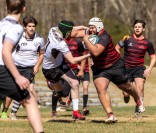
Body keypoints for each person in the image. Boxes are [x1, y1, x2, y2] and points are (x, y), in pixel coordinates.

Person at [72, 17, 144, 123]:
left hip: (115, 66)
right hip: (99, 69)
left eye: (92, 27)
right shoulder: (89, 32)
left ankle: (137, 99)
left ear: (99, 27)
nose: (90, 30)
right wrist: (77, 28)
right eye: (90, 27)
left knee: (127, 87)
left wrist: (86, 40)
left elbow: (96, 52)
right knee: (101, 89)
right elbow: (70, 34)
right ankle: (110, 115)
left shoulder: (104, 36)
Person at [0, 0, 43, 132]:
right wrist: (17, 76)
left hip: (15, 69)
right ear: (23, 9)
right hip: (2, 69)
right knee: (30, 100)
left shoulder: (1, 24)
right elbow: (6, 51)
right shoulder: (16, 27)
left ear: (6, 6)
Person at [42, 20, 90, 120]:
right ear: (67, 33)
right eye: (69, 32)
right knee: (62, 93)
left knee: (75, 83)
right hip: (50, 70)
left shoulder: (53, 30)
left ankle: (76, 112)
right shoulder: (60, 44)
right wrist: (89, 55)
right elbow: (72, 61)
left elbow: (70, 29)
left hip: (60, 64)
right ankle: (50, 84)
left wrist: (81, 26)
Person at [115, 19, 156, 116]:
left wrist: (149, 69)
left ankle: (138, 111)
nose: (137, 28)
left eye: (139, 27)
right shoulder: (126, 38)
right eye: (136, 27)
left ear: (143, 29)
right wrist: (117, 61)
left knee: (140, 88)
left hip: (139, 68)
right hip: (125, 67)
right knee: (126, 93)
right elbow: (116, 48)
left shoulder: (147, 43)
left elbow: (153, 57)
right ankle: (126, 95)